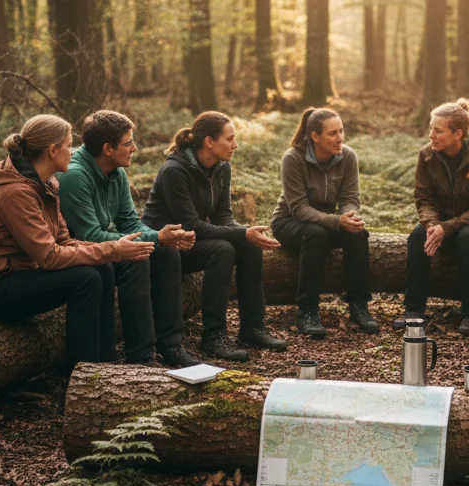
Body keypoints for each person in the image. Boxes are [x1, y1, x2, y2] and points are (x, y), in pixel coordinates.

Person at [0, 114, 155, 367]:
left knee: (101, 269)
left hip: (16, 276)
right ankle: (80, 373)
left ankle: (105, 363)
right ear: (52, 150)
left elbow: (63, 239)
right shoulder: (16, 193)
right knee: (85, 279)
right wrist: (115, 249)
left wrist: (112, 251)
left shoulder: (47, 184)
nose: (73, 152)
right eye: (69, 145)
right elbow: (49, 256)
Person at [142, 111, 288, 362]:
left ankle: (252, 328)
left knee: (248, 246)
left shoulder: (221, 167)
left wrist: (244, 234)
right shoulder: (174, 170)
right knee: (223, 249)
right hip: (167, 247)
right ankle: (214, 336)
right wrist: (242, 232)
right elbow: (191, 225)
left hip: (191, 240)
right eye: (229, 139)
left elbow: (223, 216)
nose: (235, 144)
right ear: (209, 142)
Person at [58, 109, 197, 368]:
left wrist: (161, 238)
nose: (134, 148)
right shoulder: (75, 176)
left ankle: (170, 344)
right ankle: (140, 356)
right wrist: (154, 237)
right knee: (137, 258)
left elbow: (130, 222)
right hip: (79, 252)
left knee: (165, 252)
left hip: (104, 247)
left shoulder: (116, 171)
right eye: (128, 143)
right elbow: (90, 236)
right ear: (108, 148)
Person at [397, 97, 469, 336]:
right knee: (417, 237)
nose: (431, 136)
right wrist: (433, 225)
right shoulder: (426, 155)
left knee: (468, 237)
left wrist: (448, 227)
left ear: (458, 134)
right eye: (431, 129)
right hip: (442, 222)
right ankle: (413, 311)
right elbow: (424, 199)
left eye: (438, 131)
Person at [271, 107, 379, 339]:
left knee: (358, 234)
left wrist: (350, 217)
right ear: (315, 136)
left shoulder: (347, 156)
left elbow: (350, 199)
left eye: (341, 131)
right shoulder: (293, 158)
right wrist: (337, 221)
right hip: (289, 222)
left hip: (326, 223)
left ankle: (359, 305)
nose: (340, 138)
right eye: (332, 133)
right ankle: (307, 310)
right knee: (315, 234)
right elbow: (299, 209)